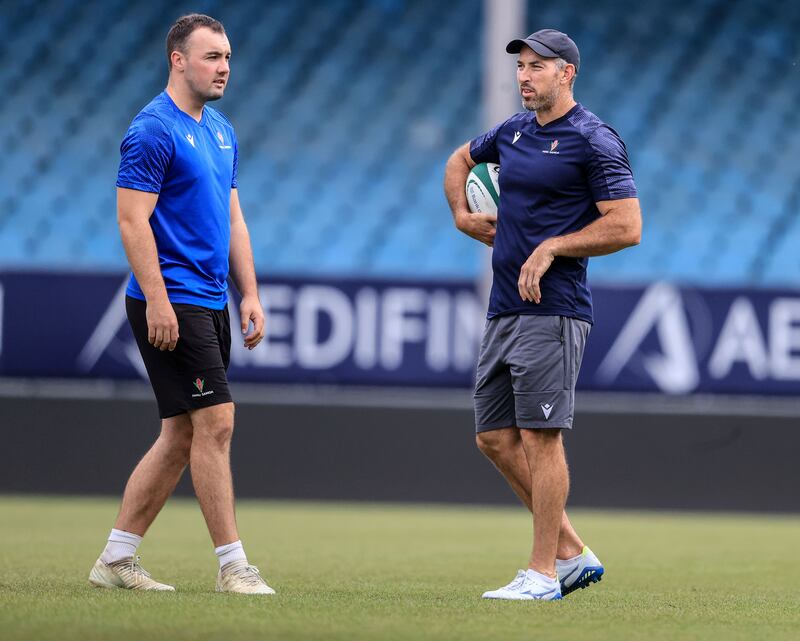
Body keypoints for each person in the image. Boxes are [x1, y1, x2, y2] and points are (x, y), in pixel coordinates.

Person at [444, 29, 641, 601]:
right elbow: (459, 159)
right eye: (521, 66)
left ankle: (543, 574)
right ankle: (572, 553)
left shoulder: (593, 139)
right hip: (504, 305)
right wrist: (461, 215)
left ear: (567, 74)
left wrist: (553, 246)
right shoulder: (513, 131)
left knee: (539, 436)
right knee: (493, 437)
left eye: (538, 66)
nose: (525, 76)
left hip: (554, 309)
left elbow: (627, 225)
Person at [88, 14, 273, 595]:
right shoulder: (152, 129)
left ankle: (116, 559)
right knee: (216, 421)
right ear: (178, 59)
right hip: (172, 299)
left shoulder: (221, 129)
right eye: (212, 56)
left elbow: (233, 218)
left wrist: (249, 292)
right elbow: (131, 220)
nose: (224, 67)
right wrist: (160, 301)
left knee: (180, 435)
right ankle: (233, 566)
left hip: (211, 298)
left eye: (227, 57)